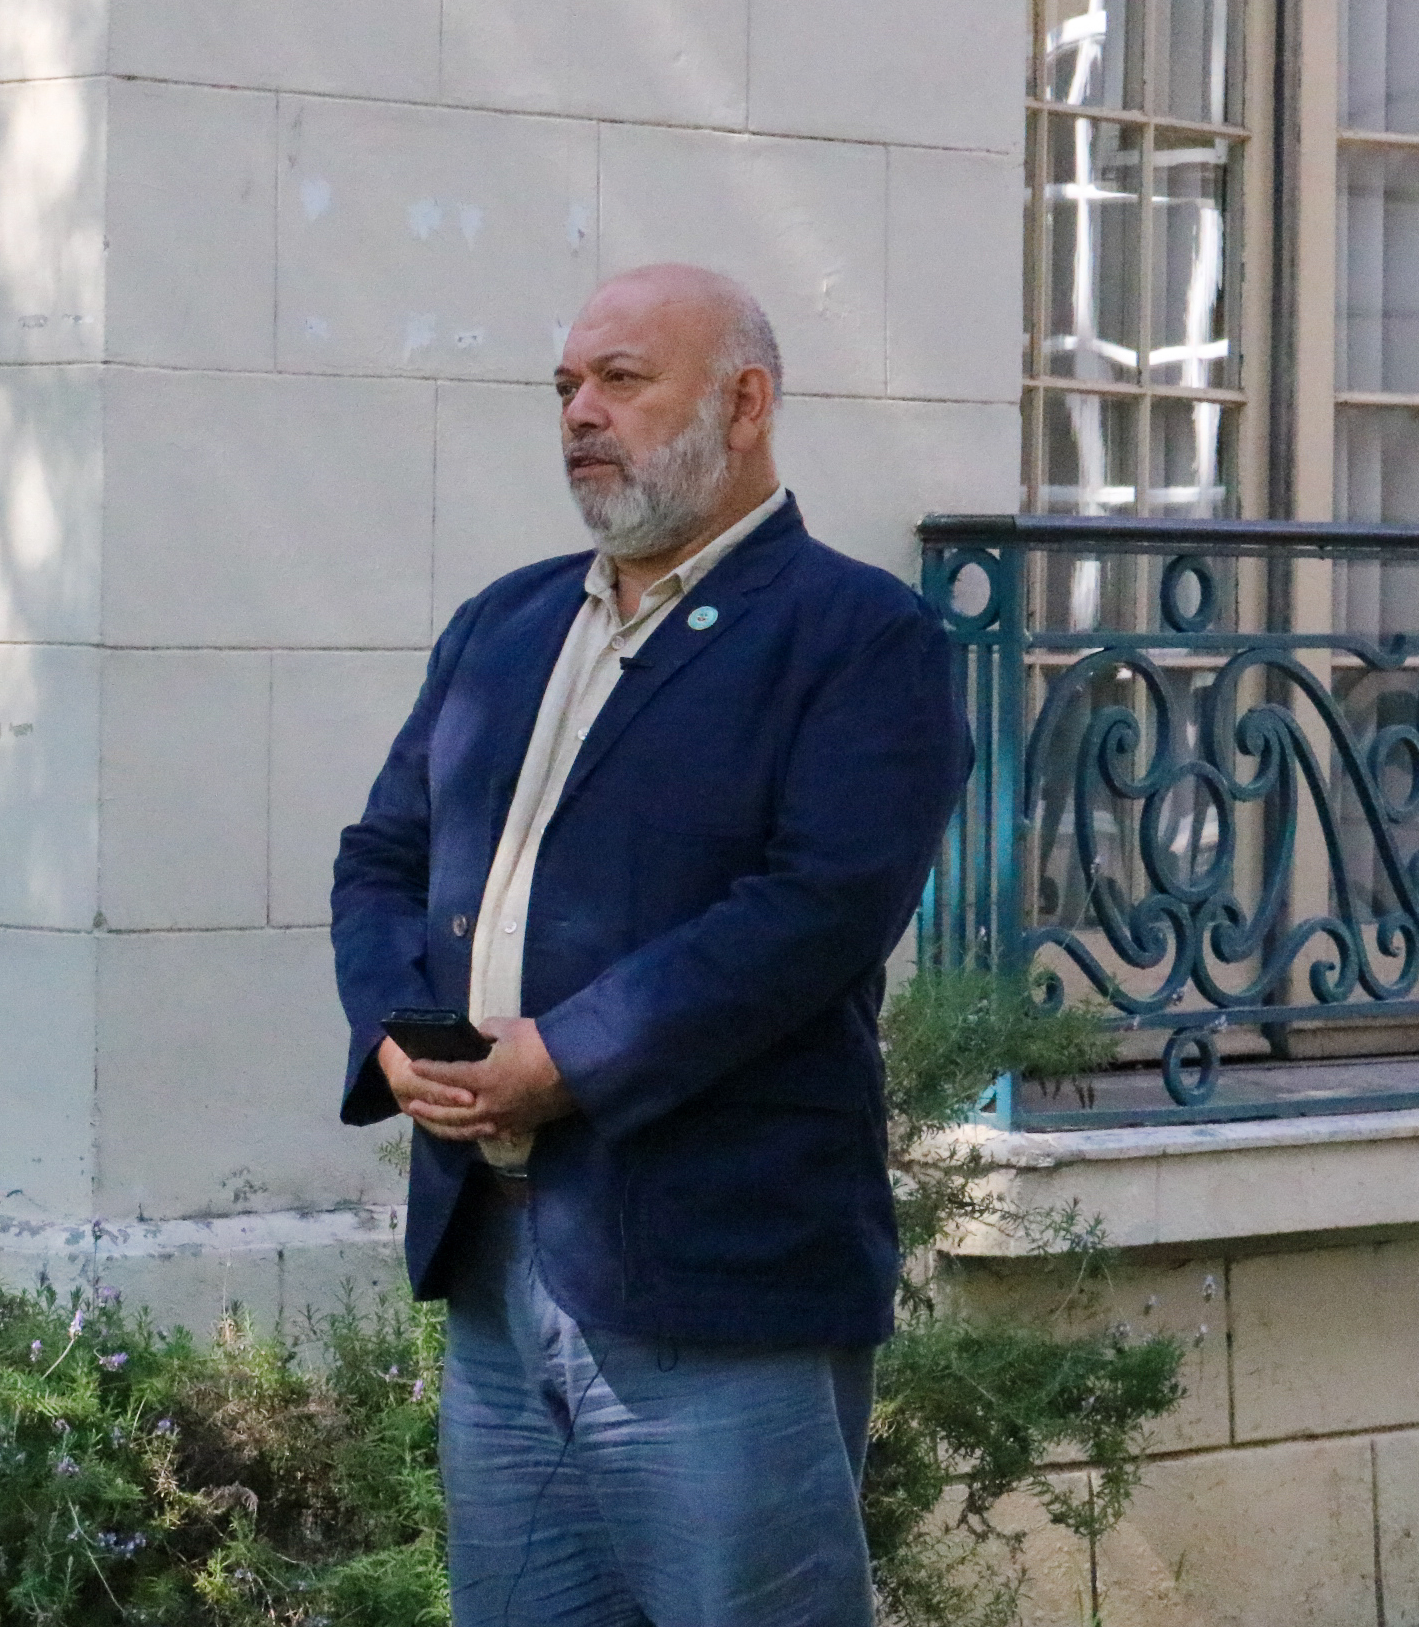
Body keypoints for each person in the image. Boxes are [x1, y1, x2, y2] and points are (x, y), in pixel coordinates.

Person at [332, 264, 968, 1627]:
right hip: (495, 1265)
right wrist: (395, 1030)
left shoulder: (861, 637)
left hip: (718, 1279)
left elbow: (814, 913)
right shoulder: (503, 626)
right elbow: (381, 856)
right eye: (567, 385)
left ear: (745, 403)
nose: (581, 413)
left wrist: (567, 1057)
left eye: (622, 380)